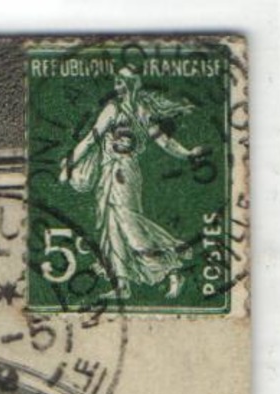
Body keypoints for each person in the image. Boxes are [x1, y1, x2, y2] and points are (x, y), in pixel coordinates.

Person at [61, 67, 206, 298]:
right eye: (116, 82)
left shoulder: (124, 110)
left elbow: (162, 142)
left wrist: (187, 154)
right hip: (114, 173)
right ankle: (122, 286)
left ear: (130, 84)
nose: (117, 87)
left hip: (123, 174)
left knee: (130, 226)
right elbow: (93, 139)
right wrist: (70, 162)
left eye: (121, 82)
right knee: (112, 228)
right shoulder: (133, 109)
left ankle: (171, 271)